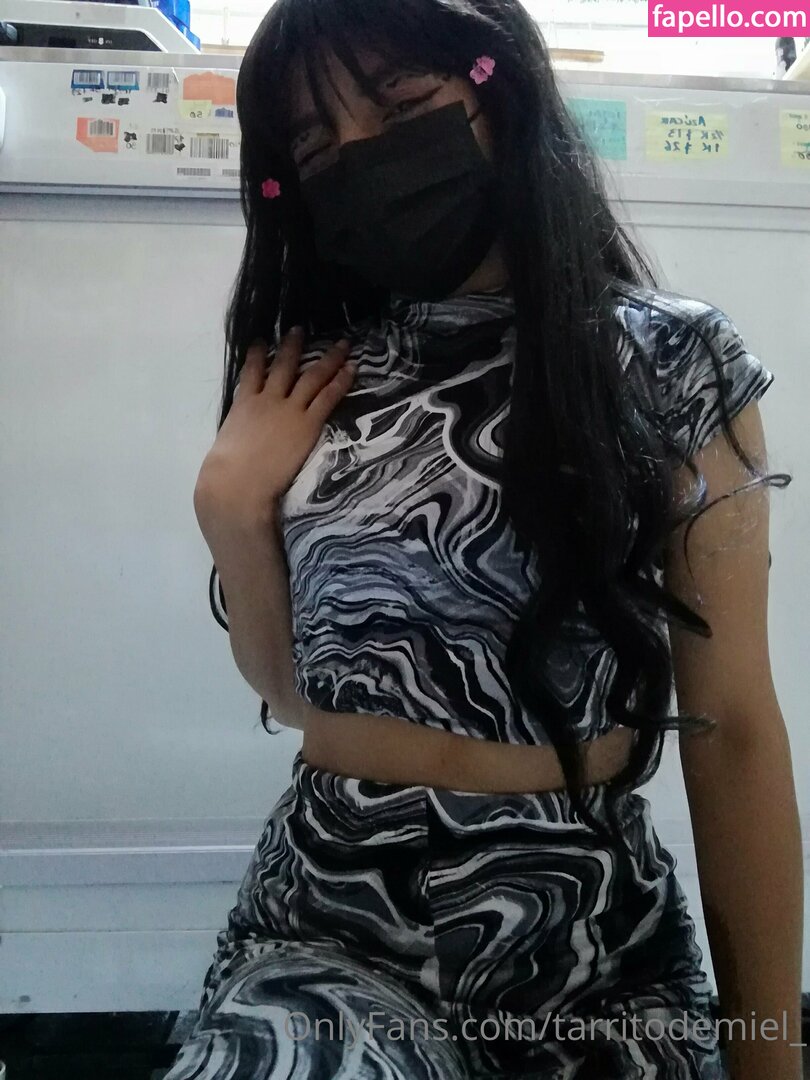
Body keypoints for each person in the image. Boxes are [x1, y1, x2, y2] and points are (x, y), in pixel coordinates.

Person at [164, 1, 804, 1077]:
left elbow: (733, 728)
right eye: (316, 148)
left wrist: (770, 1058)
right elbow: (296, 695)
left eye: (401, 105)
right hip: (334, 922)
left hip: (589, 935)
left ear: (498, 91)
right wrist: (231, 511)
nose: (362, 157)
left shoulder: (673, 361)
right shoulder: (308, 376)